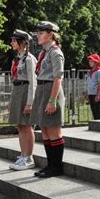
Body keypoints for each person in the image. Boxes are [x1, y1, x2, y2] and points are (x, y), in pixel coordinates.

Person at [30, 21, 66, 178]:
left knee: (53, 130)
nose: (38, 36)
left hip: (51, 90)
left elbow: (58, 78)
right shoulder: (44, 53)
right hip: (42, 89)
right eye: (38, 33)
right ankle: (50, 165)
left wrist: (52, 101)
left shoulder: (55, 52)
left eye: (41, 33)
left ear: (50, 34)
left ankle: (56, 167)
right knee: (44, 129)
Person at [8, 29, 37, 171]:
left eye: (14, 40)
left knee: (27, 125)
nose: (11, 43)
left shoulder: (29, 59)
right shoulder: (17, 59)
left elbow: (33, 82)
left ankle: (29, 157)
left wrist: (30, 102)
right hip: (18, 90)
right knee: (20, 126)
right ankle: (23, 154)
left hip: (25, 91)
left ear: (21, 43)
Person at [87, 53, 100, 120]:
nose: (90, 62)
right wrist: (87, 93)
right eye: (89, 61)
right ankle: (96, 124)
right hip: (90, 93)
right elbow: (89, 83)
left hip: (96, 93)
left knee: (97, 109)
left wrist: (98, 95)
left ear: (96, 62)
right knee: (93, 110)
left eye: (92, 61)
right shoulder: (90, 72)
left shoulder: (99, 71)